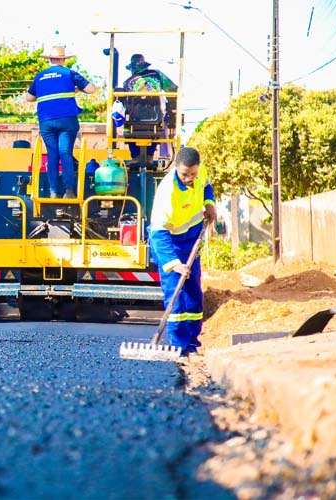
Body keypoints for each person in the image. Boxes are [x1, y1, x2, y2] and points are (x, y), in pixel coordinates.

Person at [149, 147, 217, 356]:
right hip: (171, 243)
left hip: (192, 237)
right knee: (176, 294)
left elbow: (206, 187)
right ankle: (178, 346)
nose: (189, 178)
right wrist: (173, 263)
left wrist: (209, 203)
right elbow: (158, 235)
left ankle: (192, 343)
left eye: (192, 174)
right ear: (176, 168)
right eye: (184, 174)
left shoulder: (201, 171)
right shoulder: (167, 192)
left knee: (193, 291)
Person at [24, 46, 96, 199]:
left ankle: (54, 192)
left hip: (46, 121)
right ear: (63, 59)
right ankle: (69, 191)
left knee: (52, 155)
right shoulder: (69, 73)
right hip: (67, 120)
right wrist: (77, 89)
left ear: (49, 59)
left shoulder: (40, 76)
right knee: (65, 154)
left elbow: (28, 98)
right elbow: (91, 89)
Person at [122, 54, 178, 161]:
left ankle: (135, 157)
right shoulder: (157, 74)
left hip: (134, 120)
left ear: (132, 69)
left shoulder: (127, 82)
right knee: (156, 129)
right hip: (155, 119)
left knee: (128, 127)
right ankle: (150, 157)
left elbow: (124, 103)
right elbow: (173, 89)